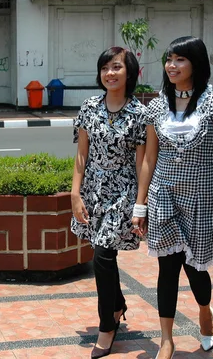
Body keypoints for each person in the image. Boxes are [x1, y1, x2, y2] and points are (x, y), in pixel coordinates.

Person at [132, 36, 213, 359]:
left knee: (195, 268)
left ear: (196, 64)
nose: (172, 66)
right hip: (164, 196)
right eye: (169, 59)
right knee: (167, 268)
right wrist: (140, 205)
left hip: (202, 198)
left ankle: (204, 310)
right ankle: (167, 338)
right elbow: (149, 159)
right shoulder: (156, 106)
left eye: (180, 60)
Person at [71, 46, 147, 358]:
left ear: (130, 73)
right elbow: (81, 153)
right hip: (92, 189)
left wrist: (140, 205)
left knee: (103, 254)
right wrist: (75, 193)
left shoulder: (140, 114)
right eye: (105, 67)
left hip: (124, 192)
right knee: (100, 251)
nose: (109, 73)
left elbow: (144, 163)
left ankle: (106, 326)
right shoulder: (89, 107)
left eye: (116, 67)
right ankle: (117, 305)